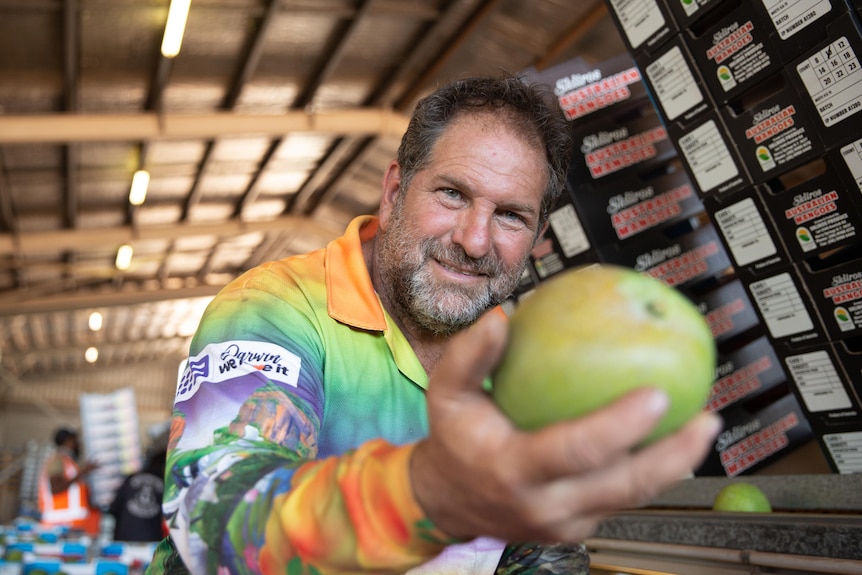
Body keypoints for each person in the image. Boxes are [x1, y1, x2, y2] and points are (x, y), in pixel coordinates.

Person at [148, 74, 721, 574]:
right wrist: (430, 492)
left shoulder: (518, 353)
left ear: (538, 239)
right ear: (395, 192)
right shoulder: (274, 309)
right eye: (452, 194)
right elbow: (215, 525)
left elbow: (532, 550)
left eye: (510, 216)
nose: (474, 240)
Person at [38, 427, 101, 535]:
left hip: (70, 523)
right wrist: (82, 473)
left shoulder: (70, 463)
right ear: (66, 441)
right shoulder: (58, 460)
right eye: (74, 440)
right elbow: (55, 488)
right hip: (58, 523)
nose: (77, 444)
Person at [109, 448, 168, 542]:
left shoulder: (131, 478)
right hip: (151, 541)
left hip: (124, 540)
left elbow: (113, 508)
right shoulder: (166, 486)